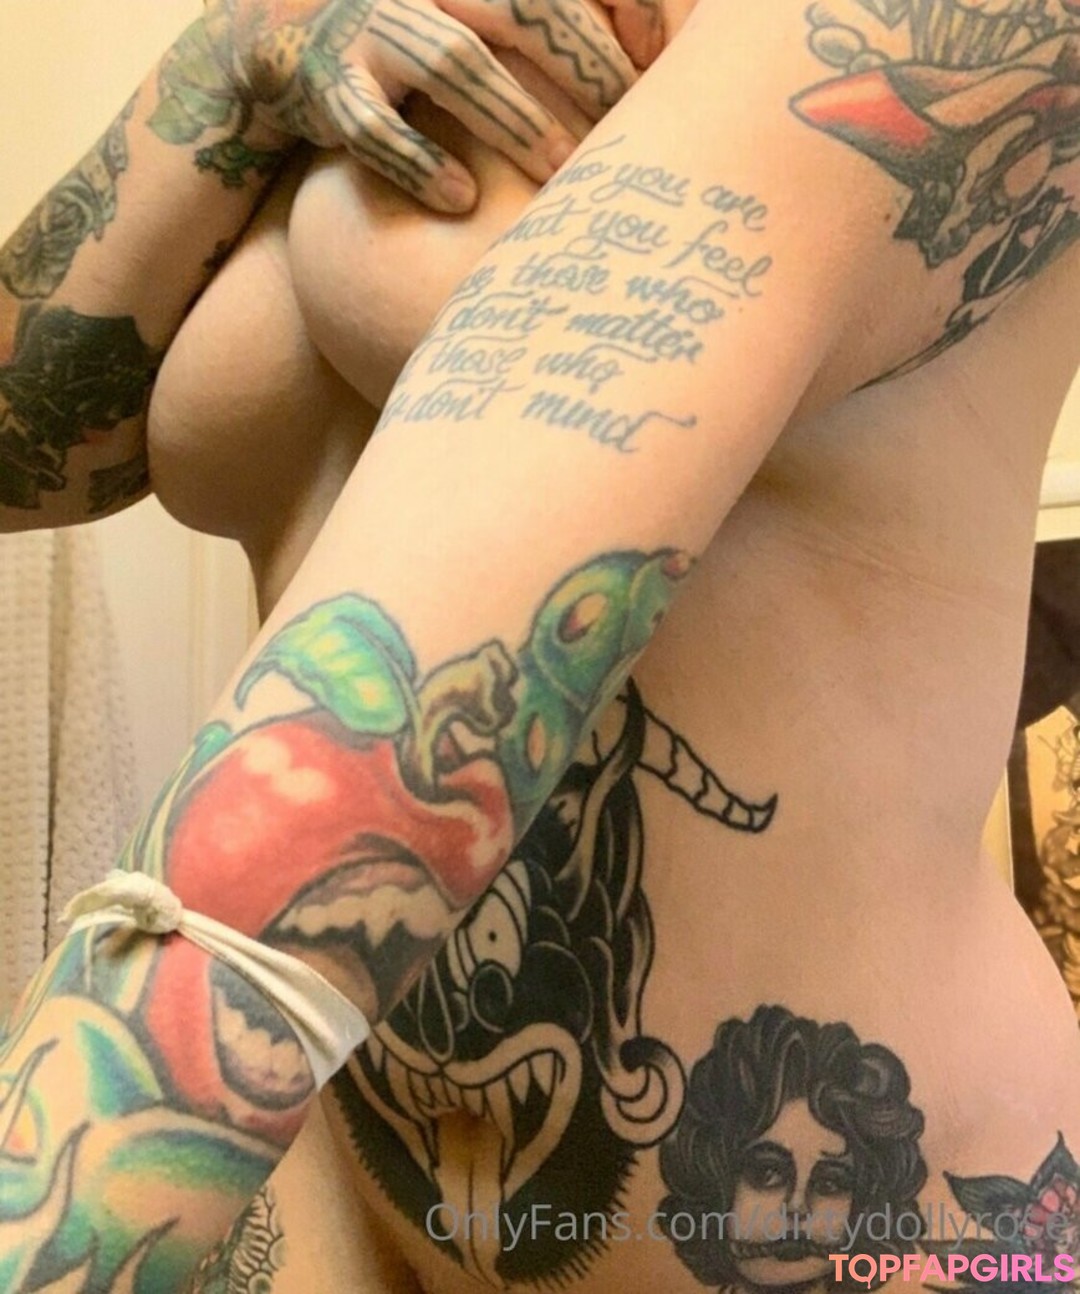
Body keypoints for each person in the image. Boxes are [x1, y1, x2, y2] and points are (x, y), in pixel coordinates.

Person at [4, 2, 1080, 1293]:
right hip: (330, 1201)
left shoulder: (934, 30)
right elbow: (25, 448)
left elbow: (388, 736)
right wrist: (232, 59)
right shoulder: (343, 36)